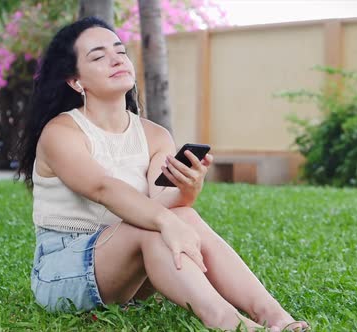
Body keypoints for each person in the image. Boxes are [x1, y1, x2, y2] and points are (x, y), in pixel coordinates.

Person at [15, 16, 309, 332]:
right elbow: (102, 188)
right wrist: (167, 221)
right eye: (99, 56)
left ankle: (276, 317)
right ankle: (230, 323)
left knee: (184, 216)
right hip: (63, 269)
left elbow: (163, 202)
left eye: (120, 51)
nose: (116, 60)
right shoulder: (61, 132)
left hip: (132, 269)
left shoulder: (154, 135)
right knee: (155, 226)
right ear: (76, 81)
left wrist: (188, 189)